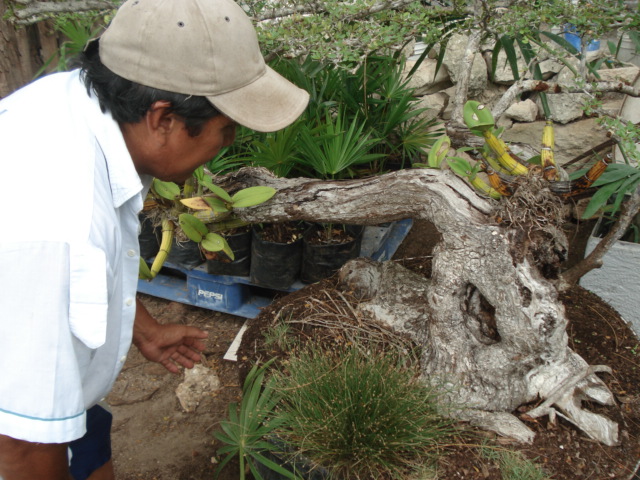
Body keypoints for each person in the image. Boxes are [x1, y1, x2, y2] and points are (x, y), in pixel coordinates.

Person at [0, 0, 309, 478]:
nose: (225, 148)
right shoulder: (61, 224)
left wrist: (144, 328)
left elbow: (74, 289)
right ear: (163, 118)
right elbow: (20, 447)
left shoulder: (73, 102)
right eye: (224, 132)